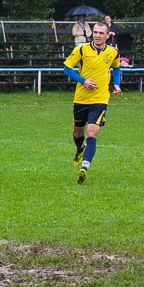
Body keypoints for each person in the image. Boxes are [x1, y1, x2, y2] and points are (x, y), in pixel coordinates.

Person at [62, 21, 121, 184]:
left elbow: (116, 67)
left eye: (101, 33)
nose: (97, 35)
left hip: (100, 99)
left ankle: (84, 168)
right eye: (95, 32)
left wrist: (117, 84)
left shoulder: (113, 52)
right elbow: (66, 68)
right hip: (81, 99)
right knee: (77, 134)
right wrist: (83, 81)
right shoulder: (81, 49)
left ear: (107, 35)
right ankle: (79, 148)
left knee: (92, 133)